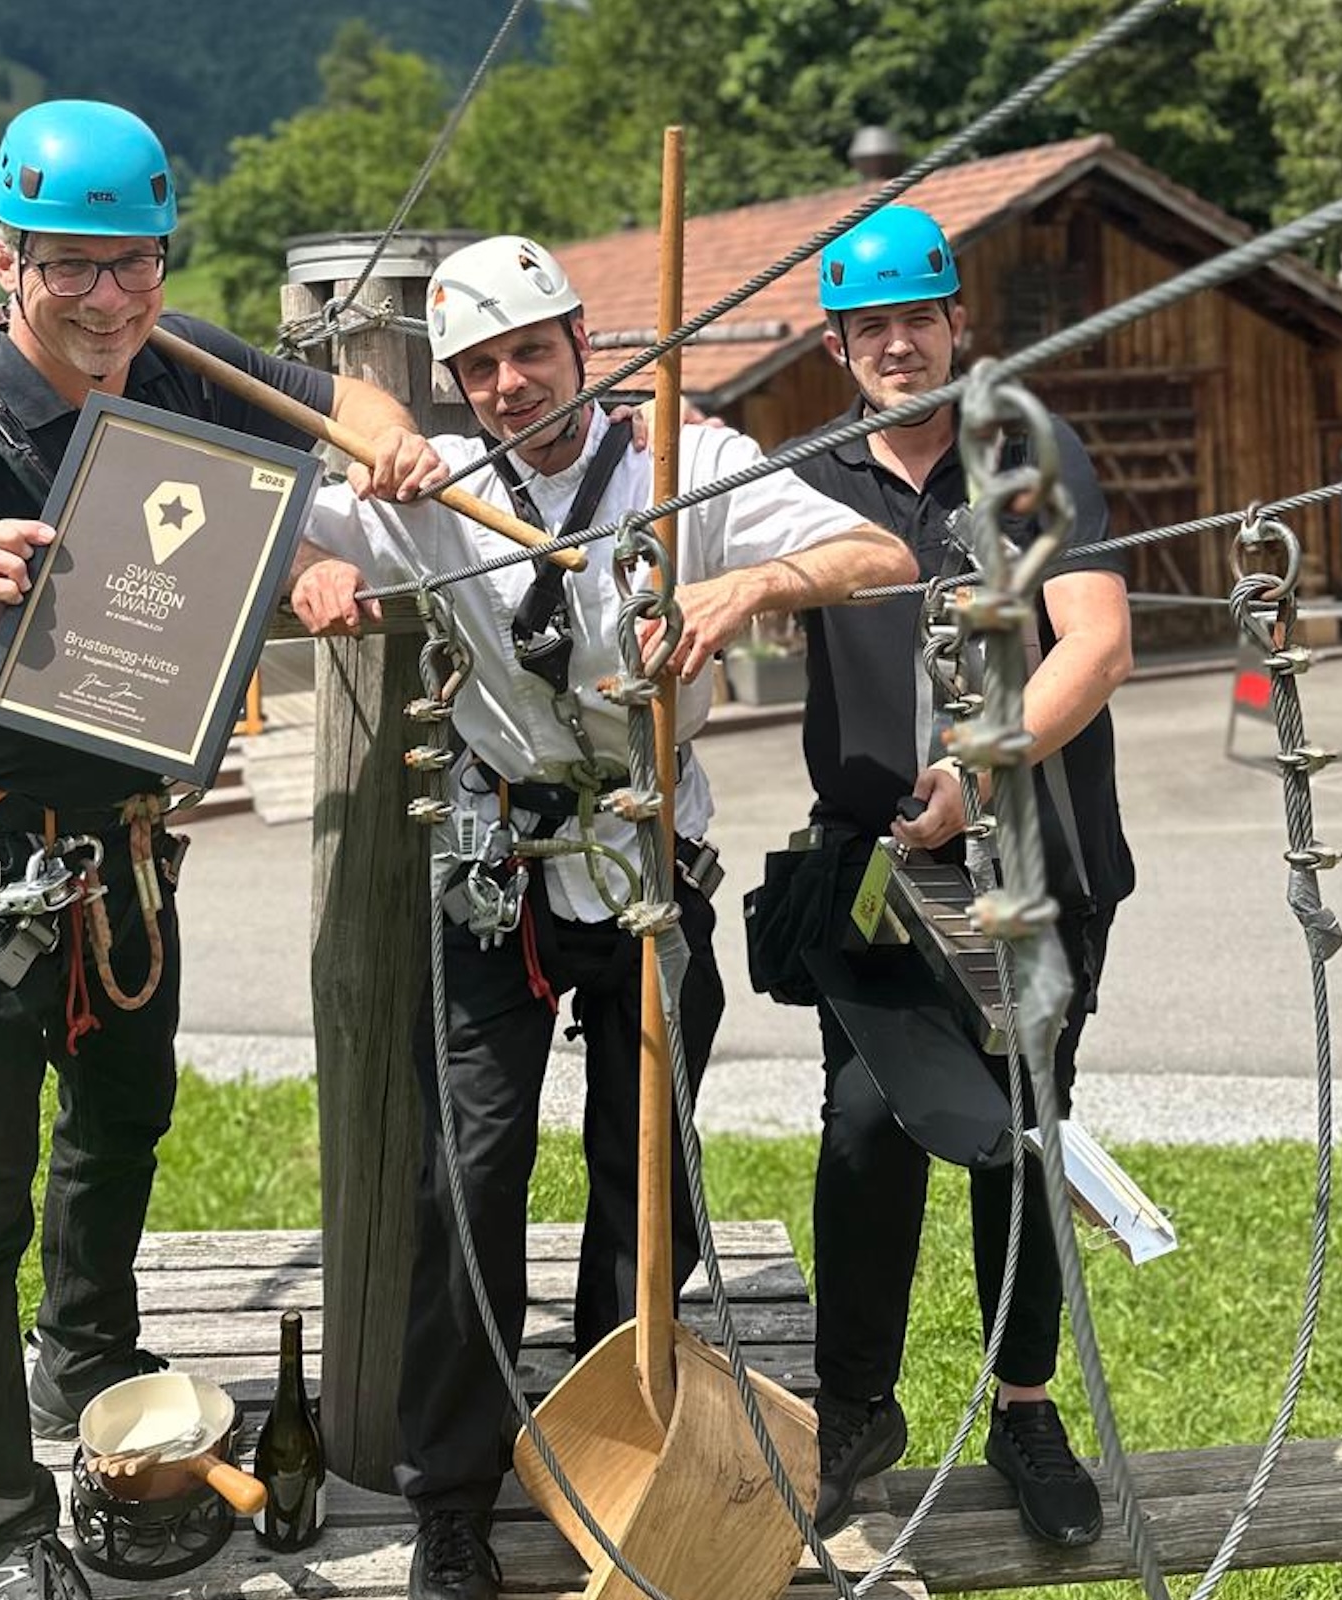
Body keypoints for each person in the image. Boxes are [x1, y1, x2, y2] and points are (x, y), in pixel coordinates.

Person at [0, 100, 443, 1600]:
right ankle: (0, 1530)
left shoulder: (178, 363)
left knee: (119, 1130)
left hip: (124, 861)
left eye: (136, 266)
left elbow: (338, 404)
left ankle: (80, 1353)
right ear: (6, 259)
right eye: (73, 270)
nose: (108, 301)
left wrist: (381, 459)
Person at [292, 233, 914, 1600]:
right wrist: (314, 578)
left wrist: (747, 583)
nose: (513, 384)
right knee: (466, 1174)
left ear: (584, 345)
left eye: (531, 353)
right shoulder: (433, 487)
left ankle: (611, 1445)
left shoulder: (688, 466)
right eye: (483, 368)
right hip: (500, 868)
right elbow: (273, 511)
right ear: (458, 382)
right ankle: (451, 1492)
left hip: (649, 863)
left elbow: (875, 552)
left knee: (647, 1185)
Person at [779, 205, 1136, 1546]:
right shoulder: (800, 479)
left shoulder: (1025, 458)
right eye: (869, 328)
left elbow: (1092, 646)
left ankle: (1024, 1405)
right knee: (867, 1127)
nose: (896, 344)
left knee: (1019, 1134)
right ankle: (857, 1404)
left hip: (1040, 858)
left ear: (956, 325)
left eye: (915, 319)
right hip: (871, 866)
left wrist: (980, 772)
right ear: (838, 345)